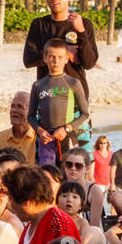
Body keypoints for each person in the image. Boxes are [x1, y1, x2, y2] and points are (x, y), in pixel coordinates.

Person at [23, 0, 99, 100]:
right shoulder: (39, 25)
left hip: (76, 99)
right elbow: (28, 59)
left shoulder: (83, 24)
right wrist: (63, 52)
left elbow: (89, 62)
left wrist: (81, 31)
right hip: (47, 98)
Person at [28, 39, 90, 167]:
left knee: (69, 177)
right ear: (45, 58)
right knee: (48, 178)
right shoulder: (38, 85)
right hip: (46, 139)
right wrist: (40, 131)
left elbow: (85, 114)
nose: (55, 61)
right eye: (51, 57)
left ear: (66, 59)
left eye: (60, 57)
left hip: (67, 137)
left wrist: (67, 129)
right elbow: (30, 116)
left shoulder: (73, 83)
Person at [0, 91, 36, 165]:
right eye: (12, 106)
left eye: (19, 106)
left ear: (31, 111)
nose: (14, 110)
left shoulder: (39, 139)